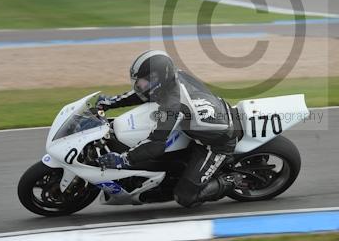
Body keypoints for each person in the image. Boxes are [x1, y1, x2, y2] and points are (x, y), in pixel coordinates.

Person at [95, 50, 241, 207]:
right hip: (206, 120)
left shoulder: (173, 105)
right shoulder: (172, 79)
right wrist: (112, 102)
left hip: (218, 144)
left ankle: (231, 180)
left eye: (144, 81)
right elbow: (144, 94)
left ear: (158, 79)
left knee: (185, 196)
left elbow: (155, 145)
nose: (139, 85)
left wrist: (123, 159)